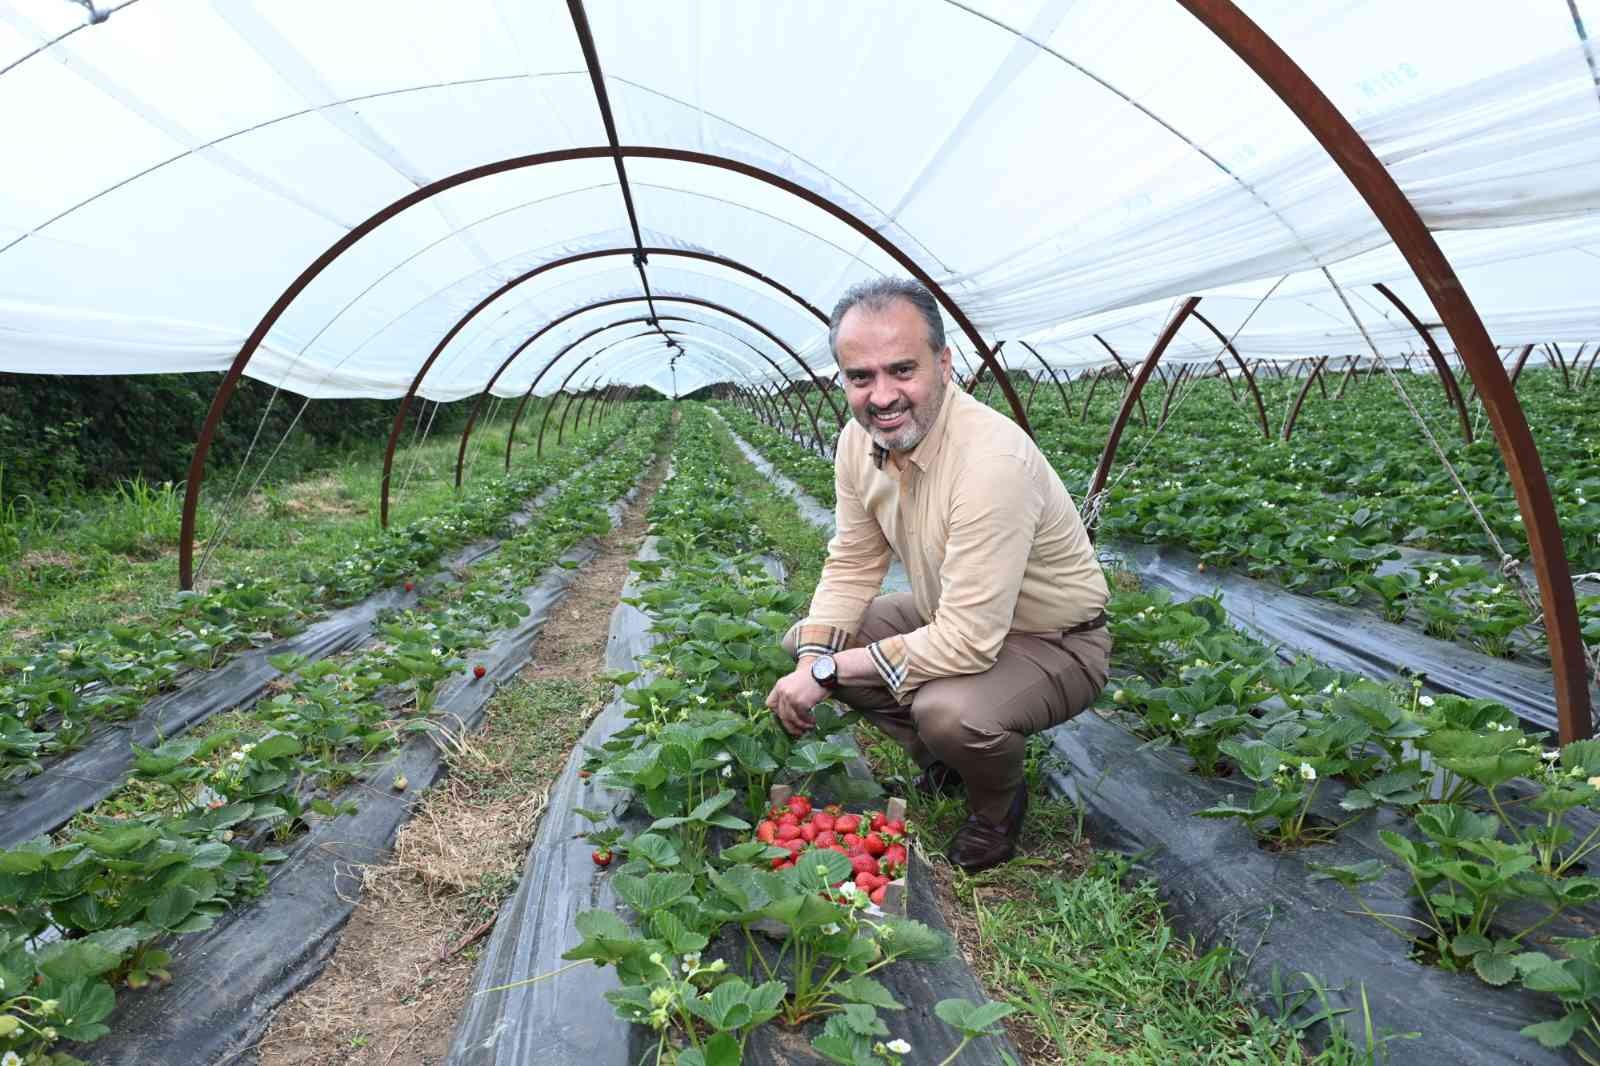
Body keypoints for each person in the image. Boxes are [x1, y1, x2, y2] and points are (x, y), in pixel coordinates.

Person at [765, 277, 1111, 873]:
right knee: (812, 638)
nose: (883, 396)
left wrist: (825, 674)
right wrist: (813, 661)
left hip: (1052, 638)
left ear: (945, 364)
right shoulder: (858, 442)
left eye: (903, 370)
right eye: (860, 377)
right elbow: (852, 559)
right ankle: (947, 761)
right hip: (950, 614)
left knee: (950, 711)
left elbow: (970, 639)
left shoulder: (990, 463)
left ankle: (996, 807)